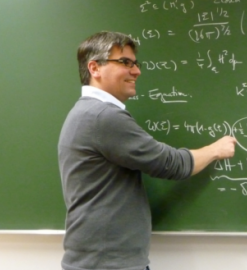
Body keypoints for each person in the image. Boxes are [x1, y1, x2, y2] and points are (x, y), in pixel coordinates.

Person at [58, 31, 236, 270]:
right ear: (94, 68)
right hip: (106, 263)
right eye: (125, 62)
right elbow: (171, 163)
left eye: (135, 63)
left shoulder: (88, 113)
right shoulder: (102, 116)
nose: (136, 71)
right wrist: (215, 149)